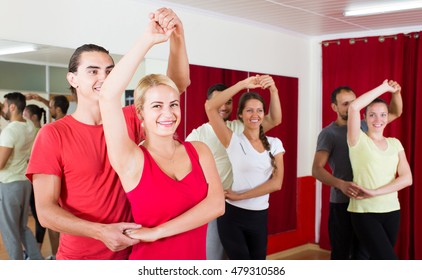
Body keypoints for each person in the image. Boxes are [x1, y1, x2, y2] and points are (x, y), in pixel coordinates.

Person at [26, 7, 190, 260]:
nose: (104, 77)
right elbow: (46, 212)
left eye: (109, 71)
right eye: (93, 71)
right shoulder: (52, 134)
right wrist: (100, 231)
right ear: (73, 78)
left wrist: (177, 36)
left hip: (135, 253)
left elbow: (174, 86)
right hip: (81, 259)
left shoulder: (130, 118)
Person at [99, 17, 225, 259]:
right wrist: (148, 40)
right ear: (140, 113)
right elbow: (107, 95)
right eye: (156, 106)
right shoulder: (131, 160)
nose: (168, 113)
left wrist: (158, 232)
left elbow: (216, 205)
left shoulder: (199, 151)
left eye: (173, 104)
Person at [185, 77, 282, 260]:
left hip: (238, 202)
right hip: (214, 200)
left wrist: (273, 90)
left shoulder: (242, 127)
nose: (224, 105)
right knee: (214, 256)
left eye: (228, 101)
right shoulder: (200, 133)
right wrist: (242, 85)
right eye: (219, 100)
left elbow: (274, 119)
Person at [311, 84, 403, 260]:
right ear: (334, 107)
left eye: (353, 102)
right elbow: (316, 169)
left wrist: (397, 92)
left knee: (363, 256)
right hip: (342, 202)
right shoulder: (328, 134)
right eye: (345, 103)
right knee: (342, 254)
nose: (351, 106)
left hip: (367, 204)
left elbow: (396, 112)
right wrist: (341, 184)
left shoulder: (367, 124)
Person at [346, 79, 412, 260]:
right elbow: (353, 107)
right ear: (365, 118)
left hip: (392, 211)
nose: (378, 119)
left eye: (383, 115)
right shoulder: (357, 140)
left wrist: (375, 192)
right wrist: (384, 88)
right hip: (365, 213)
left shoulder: (395, 143)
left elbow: (407, 179)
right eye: (372, 115)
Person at [0, 92, 43, 260]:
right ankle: (36, 260)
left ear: (12, 107)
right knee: (22, 227)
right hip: (24, 183)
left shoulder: (9, 132)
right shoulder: (29, 126)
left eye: (4, 105)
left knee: (10, 231)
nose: (3, 109)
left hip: (9, 185)